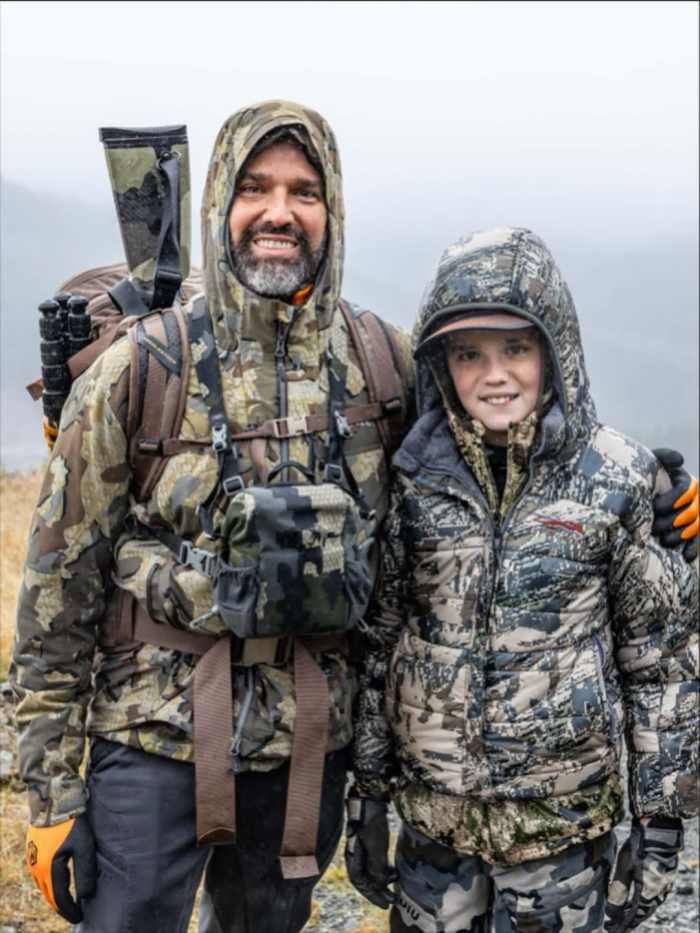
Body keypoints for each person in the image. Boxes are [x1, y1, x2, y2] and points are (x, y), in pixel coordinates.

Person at [10, 100, 413, 933]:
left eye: (303, 191)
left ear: (332, 208)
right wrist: (49, 794)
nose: (278, 211)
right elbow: (58, 590)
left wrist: (653, 500)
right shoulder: (142, 366)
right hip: (150, 739)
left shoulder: (380, 364)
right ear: (220, 202)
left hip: (306, 745)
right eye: (255, 188)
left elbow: (482, 474)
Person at [346, 226, 698, 932]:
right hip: (434, 834)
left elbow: (660, 665)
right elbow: (380, 646)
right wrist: (369, 796)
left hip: (562, 838)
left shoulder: (619, 480)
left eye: (516, 348)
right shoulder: (411, 480)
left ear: (555, 350)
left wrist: (660, 823)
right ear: (440, 364)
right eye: (468, 354)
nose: (495, 374)